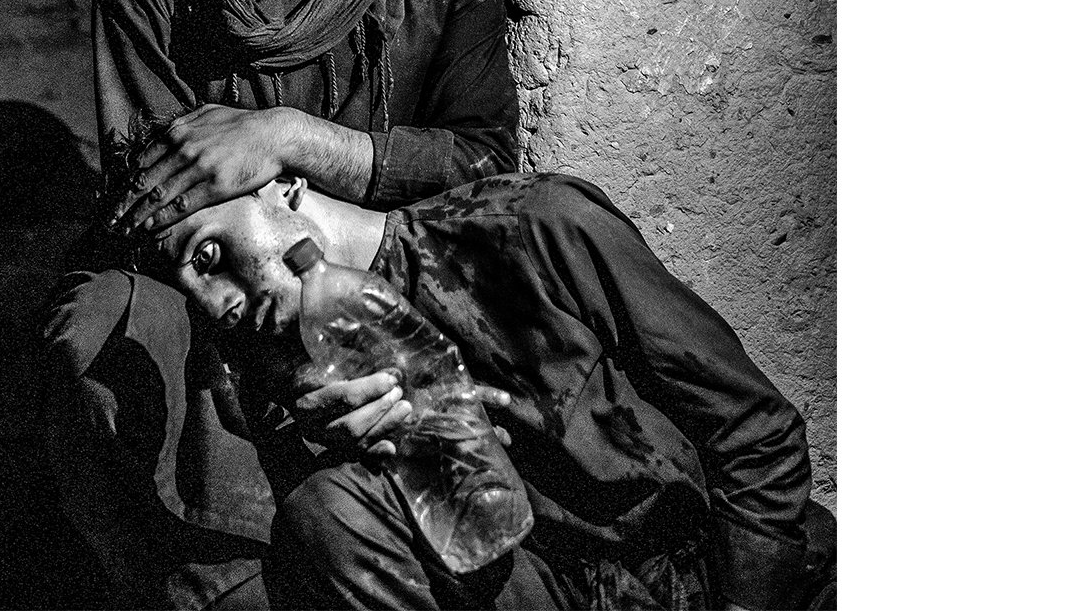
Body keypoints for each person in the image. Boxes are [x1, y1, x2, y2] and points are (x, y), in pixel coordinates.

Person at [43, 0, 523, 609]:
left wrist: (291, 138)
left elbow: (481, 156)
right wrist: (278, 301)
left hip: (394, 253)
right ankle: (219, 579)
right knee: (100, 333)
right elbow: (154, 203)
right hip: (221, 277)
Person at [123, 169, 834, 610]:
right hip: (554, 586)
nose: (215, 303)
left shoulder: (537, 228)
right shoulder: (295, 368)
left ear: (283, 189)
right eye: (186, 289)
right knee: (329, 511)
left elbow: (758, 432)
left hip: (726, 579)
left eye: (208, 255)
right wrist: (373, 458)